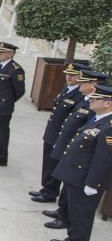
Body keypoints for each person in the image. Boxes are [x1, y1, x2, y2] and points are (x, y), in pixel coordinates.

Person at [49, 84, 112, 241]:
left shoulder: (109, 127)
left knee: (82, 214)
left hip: (86, 178)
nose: (91, 100)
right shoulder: (98, 119)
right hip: (76, 174)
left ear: (108, 103)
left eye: (96, 98)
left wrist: (93, 183)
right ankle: (71, 239)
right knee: (73, 211)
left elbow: (104, 160)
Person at [43, 70, 105, 230]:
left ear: (93, 85)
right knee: (66, 184)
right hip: (70, 147)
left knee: (72, 190)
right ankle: (62, 212)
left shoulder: (93, 107)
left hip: (79, 153)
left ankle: (65, 217)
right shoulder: (85, 101)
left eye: (84, 82)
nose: (80, 84)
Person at [31, 63, 87, 203]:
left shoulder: (80, 95)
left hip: (61, 136)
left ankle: (50, 192)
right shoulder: (67, 88)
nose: (69, 77)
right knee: (47, 162)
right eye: (68, 74)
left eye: (73, 75)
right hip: (52, 132)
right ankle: (45, 188)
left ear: (81, 77)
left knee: (54, 165)